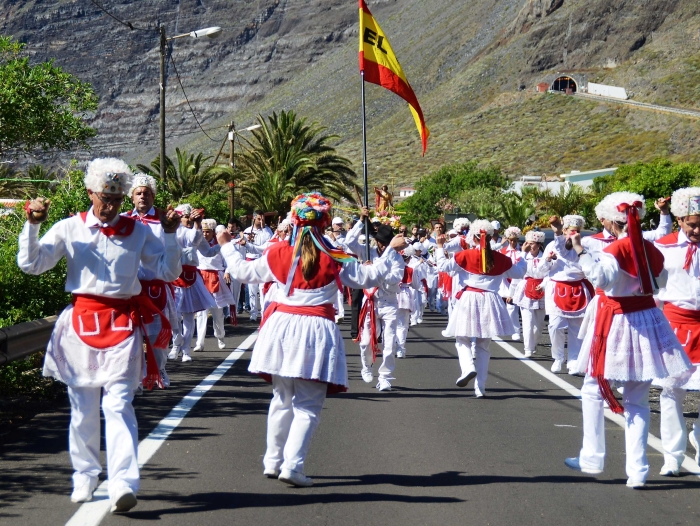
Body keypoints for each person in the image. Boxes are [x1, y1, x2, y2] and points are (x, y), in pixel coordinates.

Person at [17, 158, 182, 512]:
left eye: (117, 200)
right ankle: (85, 474)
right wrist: (32, 227)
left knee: (118, 403)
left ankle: (123, 481)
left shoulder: (139, 232)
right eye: (104, 198)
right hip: (79, 324)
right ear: (91, 193)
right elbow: (32, 265)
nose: (109, 206)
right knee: (83, 408)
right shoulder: (68, 228)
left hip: (122, 323)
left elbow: (168, 272)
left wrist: (169, 235)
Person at [217, 193, 407, 486]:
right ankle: (292, 466)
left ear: (294, 220)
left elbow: (242, 271)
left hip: (280, 327)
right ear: (325, 222)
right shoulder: (336, 255)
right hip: (316, 329)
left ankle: (272, 460)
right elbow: (370, 277)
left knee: (281, 397)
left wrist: (227, 246)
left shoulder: (278, 251)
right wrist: (392, 251)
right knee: (307, 404)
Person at [565, 192, 691, 488]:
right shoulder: (653, 248)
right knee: (637, 398)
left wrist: (582, 251)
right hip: (648, 319)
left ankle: (592, 456)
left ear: (611, 220)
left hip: (617, 321)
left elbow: (601, 280)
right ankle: (638, 469)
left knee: (593, 388)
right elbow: (660, 284)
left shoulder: (615, 249)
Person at [436, 219, 526, 397]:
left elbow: (442, 266)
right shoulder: (501, 258)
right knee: (484, 345)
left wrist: (439, 248)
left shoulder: (465, 255)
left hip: (469, 298)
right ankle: (481, 388)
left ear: (474, 237)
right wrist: (522, 258)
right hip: (491, 300)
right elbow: (519, 273)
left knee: (462, 338)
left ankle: (468, 367)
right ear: (491, 237)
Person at [654, 187, 700, 475]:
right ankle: (672, 456)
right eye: (692, 224)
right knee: (671, 391)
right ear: (680, 220)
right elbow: (649, 282)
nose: (696, 230)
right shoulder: (664, 246)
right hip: (676, 324)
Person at [123, 173, 179, 387]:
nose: (142, 196)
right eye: (138, 193)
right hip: (130, 289)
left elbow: (174, 250)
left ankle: (160, 369)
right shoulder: (123, 220)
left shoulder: (165, 219)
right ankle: (137, 376)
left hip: (156, 287)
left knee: (157, 337)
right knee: (132, 336)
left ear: (153, 196)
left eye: (146, 193)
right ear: (132, 197)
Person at [345, 207, 405, 390]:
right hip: (370, 302)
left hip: (389, 303)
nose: (382, 246)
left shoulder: (396, 258)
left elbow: (395, 278)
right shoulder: (367, 251)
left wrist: (373, 270)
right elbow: (348, 243)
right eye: (380, 242)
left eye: (385, 244)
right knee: (365, 342)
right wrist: (360, 221)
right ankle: (366, 366)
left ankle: (385, 376)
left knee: (389, 341)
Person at [540, 215, 593, 374]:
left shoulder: (583, 246)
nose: (574, 234)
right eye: (571, 231)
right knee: (555, 326)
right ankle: (558, 357)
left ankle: (574, 359)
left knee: (577, 328)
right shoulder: (553, 245)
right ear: (564, 231)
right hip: (557, 288)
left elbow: (588, 266)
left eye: (577, 232)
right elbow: (542, 270)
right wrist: (549, 261)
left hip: (578, 288)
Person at [168, 204, 217, 362]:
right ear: (179, 217)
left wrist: (222, 246)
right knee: (173, 315)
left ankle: (186, 350)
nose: (188, 219)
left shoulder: (195, 232)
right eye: (186, 216)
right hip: (173, 276)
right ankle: (176, 344)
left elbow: (206, 251)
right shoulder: (173, 231)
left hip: (190, 277)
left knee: (189, 316)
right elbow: (187, 240)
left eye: (191, 216)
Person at [194, 219, 236, 351]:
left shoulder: (220, 245)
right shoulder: (198, 244)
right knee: (201, 313)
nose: (205, 235)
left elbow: (228, 261)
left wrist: (227, 272)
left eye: (207, 232)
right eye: (203, 232)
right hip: (201, 278)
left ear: (213, 232)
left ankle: (220, 337)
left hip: (216, 278)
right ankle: (199, 343)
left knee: (217, 312)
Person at [510, 230, 547, 357]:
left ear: (539, 244)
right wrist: (511, 293)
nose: (529, 246)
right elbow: (516, 273)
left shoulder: (546, 257)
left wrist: (543, 285)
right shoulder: (523, 256)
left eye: (532, 243)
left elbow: (550, 274)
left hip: (542, 289)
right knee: (528, 321)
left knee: (539, 324)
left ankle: (534, 342)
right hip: (525, 289)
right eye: (528, 243)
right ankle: (528, 348)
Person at [243, 211, 273, 322]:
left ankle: (264, 312)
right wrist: (248, 240)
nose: (261, 221)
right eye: (259, 219)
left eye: (263, 219)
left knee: (262, 288)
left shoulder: (267, 230)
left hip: (262, 261)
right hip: (251, 261)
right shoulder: (247, 231)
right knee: (252, 289)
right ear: (254, 218)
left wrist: (263, 227)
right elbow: (243, 245)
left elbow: (269, 241)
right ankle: (253, 313)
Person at [395, 245, 422, 358]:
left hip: (391, 295)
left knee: (390, 324)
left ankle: (391, 347)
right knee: (402, 325)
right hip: (404, 295)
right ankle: (400, 349)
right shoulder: (410, 270)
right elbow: (416, 285)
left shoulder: (390, 268)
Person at [499, 226, 522, 340]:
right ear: (508, 240)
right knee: (504, 308)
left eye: (515, 240)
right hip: (505, 282)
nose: (513, 242)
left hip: (517, 281)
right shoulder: (503, 252)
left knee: (512, 307)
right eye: (511, 240)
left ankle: (516, 330)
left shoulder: (521, 251)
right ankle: (504, 328)